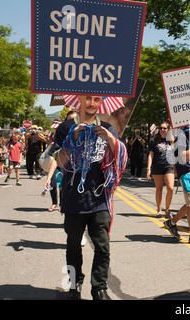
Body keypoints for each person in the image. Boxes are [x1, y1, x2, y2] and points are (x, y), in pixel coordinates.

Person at [51, 95, 127, 300]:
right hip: (73, 198)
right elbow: (56, 161)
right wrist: (72, 140)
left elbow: (120, 160)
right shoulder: (65, 128)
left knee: (103, 246)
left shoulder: (108, 128)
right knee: (73, 245)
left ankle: (99, 287)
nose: (92, 103)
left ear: (100, 103)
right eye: (88, 99)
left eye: (96, 99)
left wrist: (111, 140)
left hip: (99, 198)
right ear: (80, 101)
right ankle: (74, 284)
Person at [147, 122, 175, 218]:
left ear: (168, 130)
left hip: (169, 167)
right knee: (159, 189)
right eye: (161, 128)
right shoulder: (154, 141)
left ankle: (167, 209)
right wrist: (148, 169)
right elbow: (150, 155)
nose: (162, 130)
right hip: (157, 167)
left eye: (164, 128)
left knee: (170, 188)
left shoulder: (172, 140)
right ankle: (159, 209)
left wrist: (175, 168)